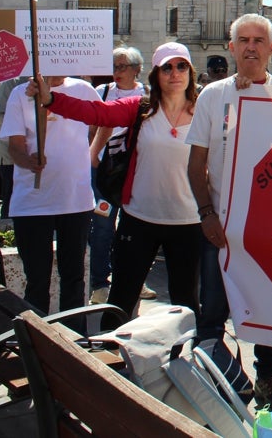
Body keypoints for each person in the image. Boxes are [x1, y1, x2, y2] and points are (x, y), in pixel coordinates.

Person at [32, 42, 201, 328]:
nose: (175, 73)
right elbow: (96, 113)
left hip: (188, 223)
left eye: (181, 66)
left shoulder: (205, 110)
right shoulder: (141, 108)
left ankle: (185, 362)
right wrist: (51, 100)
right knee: (122, 297)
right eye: (167, 67)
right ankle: (110, 359)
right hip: (139, 219)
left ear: (190, 72)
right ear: (156, 74)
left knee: (185, 301)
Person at [187, 14, 272, 410]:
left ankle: (268, 381)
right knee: (212, 315)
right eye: (243, 40)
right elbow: (195, 164)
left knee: (271, 313)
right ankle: (219, 386)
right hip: (221, 227)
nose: (251, 46)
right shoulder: (212, 95)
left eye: (259, 40)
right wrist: (206, 214)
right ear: (231, 47)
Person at [0, 73, 100, 319]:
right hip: (33, 203)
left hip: (75, 200)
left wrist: (90, 151)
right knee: (37, 279)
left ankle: (73, 341)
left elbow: (100, 121)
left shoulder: (84, 90)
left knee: (74, 278)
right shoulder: (20, 93)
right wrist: (28, 161)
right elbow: (14, 146)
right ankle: (37, 344)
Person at [88, 46, 149, 305]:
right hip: (105, 172)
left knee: (132, 229)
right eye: (113, 67)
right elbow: (93, 127)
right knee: (102, 226)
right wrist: (93, 156)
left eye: (122, 66)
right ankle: (100, 283)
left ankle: (133, 279)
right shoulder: (102, 92)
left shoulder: (148, 95)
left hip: (136, 172)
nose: (116, 72)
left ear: (137, 69)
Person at [0, 75, 29, 218]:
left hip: (34, 152)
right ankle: (6, 233)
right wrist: (25, 128)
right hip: (10, 154)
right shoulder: (10, 83)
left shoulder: (45, 81)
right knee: (11, 194)